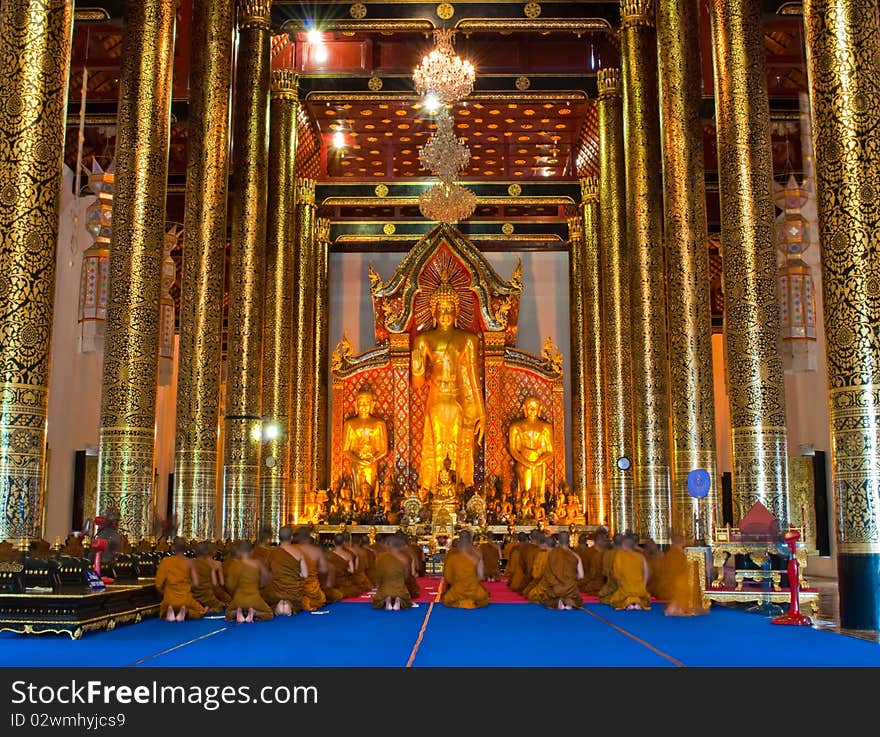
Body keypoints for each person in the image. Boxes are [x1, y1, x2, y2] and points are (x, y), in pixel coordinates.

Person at [412, 268, 486, 493]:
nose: (445, 313)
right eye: (441, 309)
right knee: (436, 444)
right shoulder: (423, 339)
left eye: (449, 309)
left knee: (456, 443)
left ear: (456, 311)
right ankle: (434, 489)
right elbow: (417, 385)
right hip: (436, 397)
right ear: (433, 312)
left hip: (457, 399)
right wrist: (417, 369)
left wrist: (481, 413)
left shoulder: (468, 339)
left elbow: (473, 378)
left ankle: (456, 487)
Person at [341, 389, 389, 502]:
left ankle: (371, 511)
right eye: (360, 403)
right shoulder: (350, 424)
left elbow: (384, 449)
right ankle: (357, 511)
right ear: (355, 405)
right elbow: (345, 450)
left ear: (372, 405)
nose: (363, 406)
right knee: (357, 493)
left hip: (371, 462)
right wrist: (358, 460)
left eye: (366, 403)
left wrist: (372, 458)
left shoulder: (378, 423)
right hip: (356, 462)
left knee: (370, 492)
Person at [508, 396, 554, 504]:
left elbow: (551, 451)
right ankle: (524, 511)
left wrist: (538, 462)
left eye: (535, 407)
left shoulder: (546, 427)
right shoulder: (516, 426)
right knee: (525, 490)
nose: (532, 410)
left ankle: (538, 511)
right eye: (529, 407)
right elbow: (513, 450)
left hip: (539, 462)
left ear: (540, 409)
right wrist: (526, 463)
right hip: (523, 461)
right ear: (524, 408)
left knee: (538, 492)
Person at [260, 526, 308, 616]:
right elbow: (305, 575)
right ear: (291, 537)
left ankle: (278, 606)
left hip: (275, 593)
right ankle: (289, 606)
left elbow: (265, 574)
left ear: (278, 537)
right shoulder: (299, 553)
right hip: (294, 593)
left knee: (265, 595)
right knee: (299, 602)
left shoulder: (272, 552)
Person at [155, 538, 206, 622]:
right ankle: (186, 612)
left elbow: (158, 585)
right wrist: (187, 587)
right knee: (200, 611)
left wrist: (166, 593)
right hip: (185, 598)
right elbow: (196, 583)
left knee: (162, 610)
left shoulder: (165, 561)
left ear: (172, 548)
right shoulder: (190, 562)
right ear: (186, 548)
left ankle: (169, 611)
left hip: (169, 598)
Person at [534, 531, 584, 610]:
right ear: (569, 541)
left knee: (546, 598)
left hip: (555, 589)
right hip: (570, 589)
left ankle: (559, 601)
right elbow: (581, 576)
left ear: (558, 541)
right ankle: (568, 602)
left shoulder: (552, 554)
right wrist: (569, 580)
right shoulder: (576, 556)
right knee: (577, 600)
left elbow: (547, 574)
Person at [441, 531, 490, 609]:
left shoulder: (452, 553)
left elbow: (448, 577)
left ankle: (461, 602)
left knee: (447, 599)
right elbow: (481, 576)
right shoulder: (477, 552)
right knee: (483, 598)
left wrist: (459, 583)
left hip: (457, 590)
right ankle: (471, 602)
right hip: (474, 590)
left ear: (459, 540)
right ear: (470, 539)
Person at [663, 534, 709, 617]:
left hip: (676, 584)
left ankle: (678, 609)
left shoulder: (672, 554)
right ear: (683, 541)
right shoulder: (678, 554)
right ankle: (679, 610)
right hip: (683, 584)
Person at [607, 534, 652, 611]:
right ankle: (637, 602)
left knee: (615, 599)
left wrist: (620, 586)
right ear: (633, 546)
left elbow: (617, 574)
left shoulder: (619, 555)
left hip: (626, 590)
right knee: (643, 597)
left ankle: (629, 602)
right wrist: (643, 586)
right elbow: (647, 573)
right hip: (640, 589)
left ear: (623, 546)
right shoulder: (641, 556)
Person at [372, 535, 413, 610]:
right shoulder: (405, 558)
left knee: (380, 597)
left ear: (388, 545)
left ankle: (387, 599)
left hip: (384, 589)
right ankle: (398, 599)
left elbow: (378, 575)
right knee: (405, 598)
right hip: (400, 589)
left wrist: (380, 584)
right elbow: (407, 576)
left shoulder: (380, 557)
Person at [293, 526, 329, 610]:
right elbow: (324, 570)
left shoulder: (293, 550)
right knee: (321, 597)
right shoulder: (316, 550)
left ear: (298, 537)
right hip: (313, 590)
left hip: (296, 589)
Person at [191, 541, 226, 615]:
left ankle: (199, 608)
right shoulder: (215, 564)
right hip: (210, 592)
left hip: (194, 593)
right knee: (221, 605)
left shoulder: (191, 563)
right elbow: (218, 583)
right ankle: (207, 609)